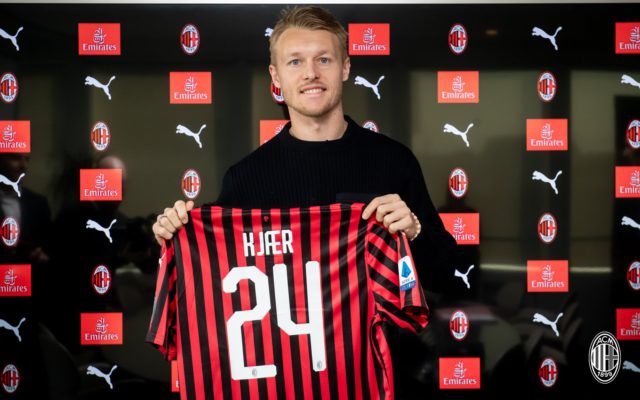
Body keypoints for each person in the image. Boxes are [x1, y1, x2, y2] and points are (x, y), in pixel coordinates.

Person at [152, 6, 455, 293]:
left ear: (345, 68)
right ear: (276, 76)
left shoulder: (394, 161)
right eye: (295, 62)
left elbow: (445, 275)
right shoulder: (245, 177)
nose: (311, 73)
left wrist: (414, 232)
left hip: (379, 334)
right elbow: (211, 279)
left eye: (324, 59)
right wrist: (175, 236)